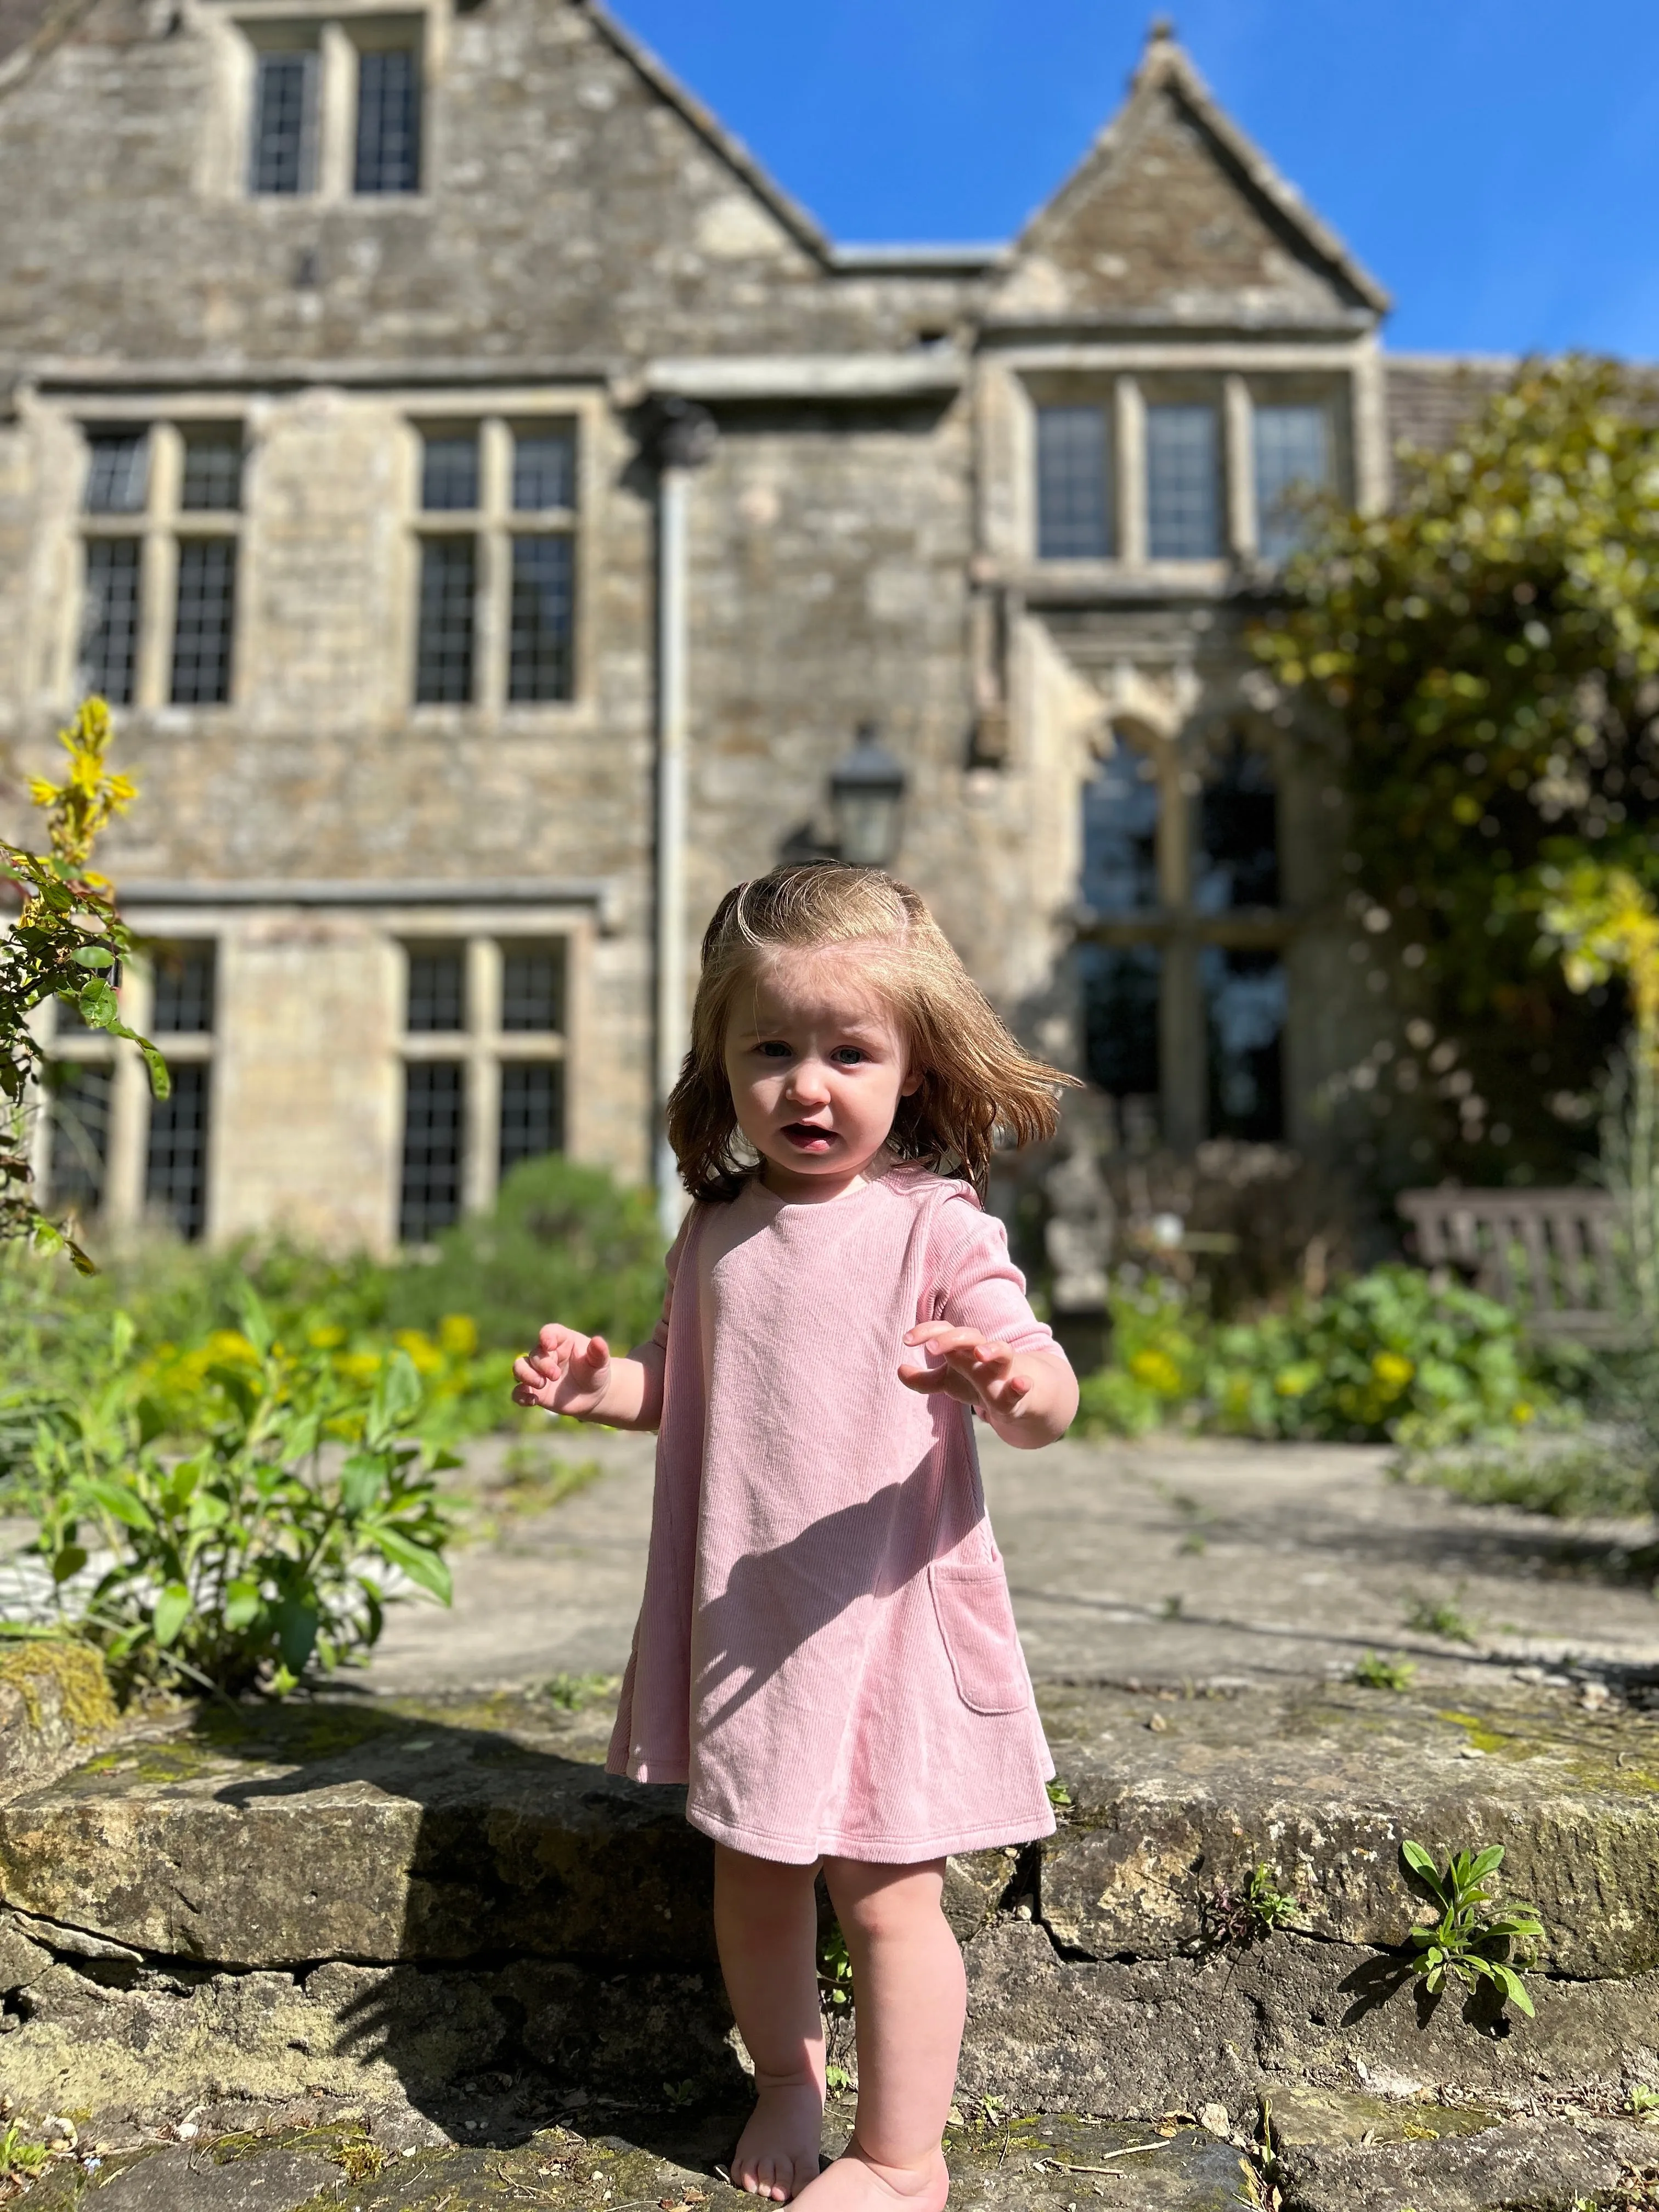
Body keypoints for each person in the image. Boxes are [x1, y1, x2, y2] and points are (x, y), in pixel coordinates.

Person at [512, 863, 1079, 2212]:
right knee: (756, 1876)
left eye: (849, 1052)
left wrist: (1012, 1385)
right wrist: (607, 1389)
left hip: (880, 1624)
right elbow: (684, 1387)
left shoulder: (932, 1227)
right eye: (771, 1050)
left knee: (888, 1897)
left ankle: (904, 2159)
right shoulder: (713, 1234)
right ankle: (786, 2075)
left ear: (914, 1068)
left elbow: (1042, 1380)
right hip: (752, 1634)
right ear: (719, 1064)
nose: (808, 1085)